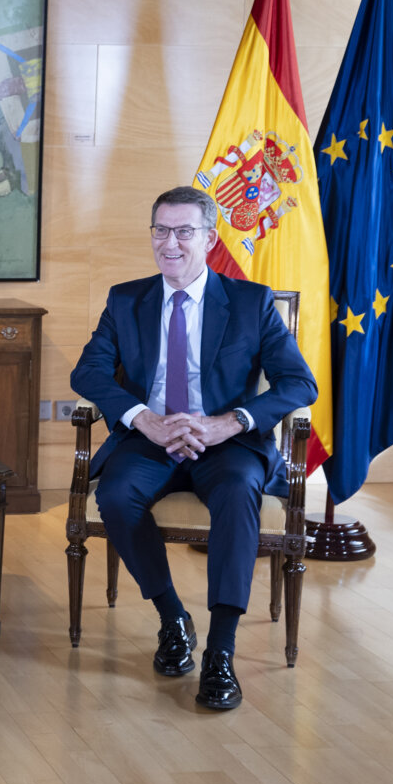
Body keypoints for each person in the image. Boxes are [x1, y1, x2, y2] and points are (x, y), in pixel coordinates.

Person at [70, 186, 316, 710]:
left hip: (223, 442)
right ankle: (172, 618)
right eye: (161, 229)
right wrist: (145, 419)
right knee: (115, 495)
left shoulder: (251, 303)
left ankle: (221, 653)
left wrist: (233, 422)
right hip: (150, 439)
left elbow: (300, 384)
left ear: (209, 237)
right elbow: (87, 371)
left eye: (184, 231)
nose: (171, 243)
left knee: (237, 492)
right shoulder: (126, 298)